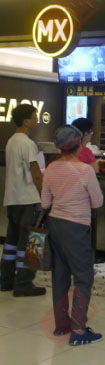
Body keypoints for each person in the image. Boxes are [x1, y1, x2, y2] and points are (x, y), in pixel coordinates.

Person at [42, 125, 104, 345]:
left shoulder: (50, 168)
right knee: (83, 276)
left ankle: (62, 325)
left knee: (60, 275)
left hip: (55, 225)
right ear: (78, 144)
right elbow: (97, 202)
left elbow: (45, 203)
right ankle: (78, 330)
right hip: (76, 227)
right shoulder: (85, 171)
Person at [0, 103, 46, 297]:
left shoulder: (11, 141)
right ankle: (24, 283)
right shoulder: (27, 144)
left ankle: (6, 280)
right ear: (26, 121)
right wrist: (44, 194)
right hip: (28, 199)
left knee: (11, 242)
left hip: (12, 199)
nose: (37, 121)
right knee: (32, 241)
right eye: (35, 117)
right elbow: (35, 172)